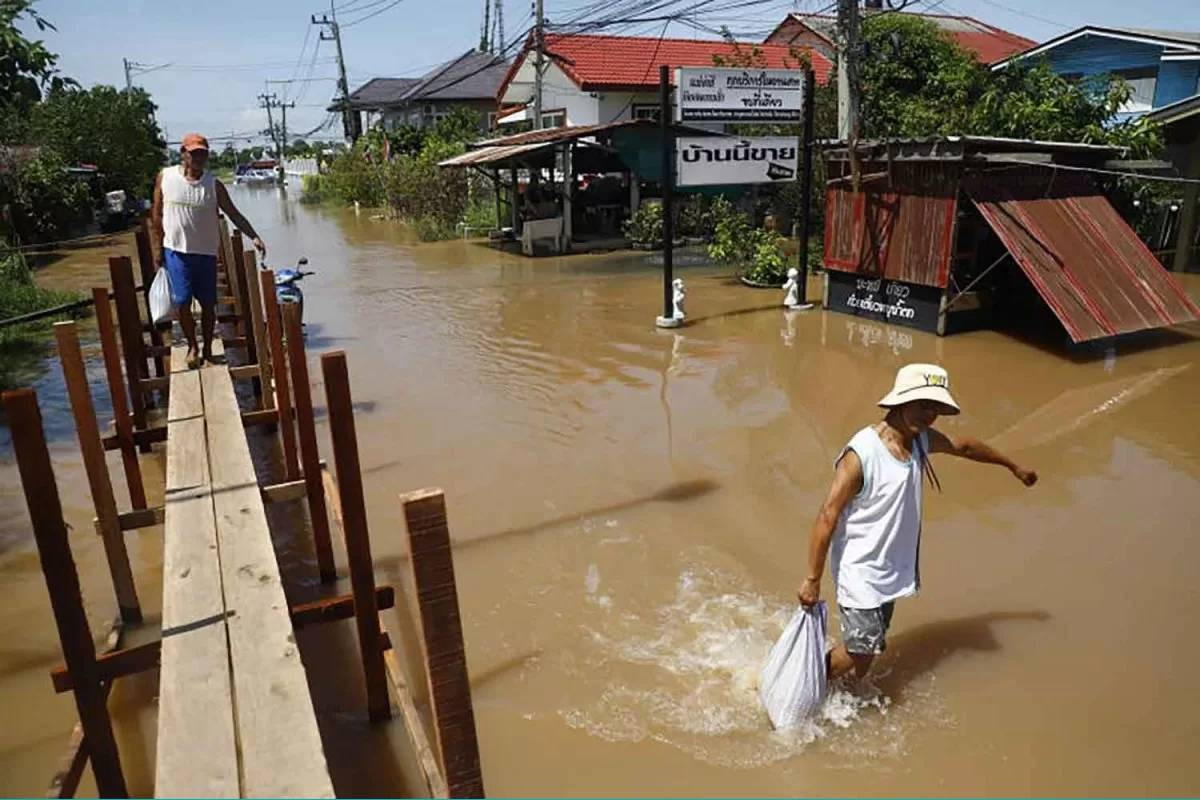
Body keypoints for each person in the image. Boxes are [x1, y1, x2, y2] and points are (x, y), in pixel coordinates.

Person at [798, 363, 1038, 683]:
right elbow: (827, 516)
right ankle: (800, 684)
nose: (929, 415)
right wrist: (812, 579)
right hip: (862, 570)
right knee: (860, 650)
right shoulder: (862, 454)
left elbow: (963, 446)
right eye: (923, 405)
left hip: (892, 568)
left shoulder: (921, 440)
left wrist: (1013, 466)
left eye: (935, 408)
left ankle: (839, 698)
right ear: (900, 401)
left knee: (869, 651)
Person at [150, 133, 265, 368]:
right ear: (183, 154)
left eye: (203, 152)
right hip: (176, 250)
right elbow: (157, 213)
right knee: (182, 301)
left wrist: (253, 235)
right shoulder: (166, 177)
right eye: (194, 153)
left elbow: (233, 213)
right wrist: (157, 246)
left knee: (208, 303)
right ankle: (192, 346)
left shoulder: (213, 184)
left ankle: (209, 348)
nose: (198, 157)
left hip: (206, 252)